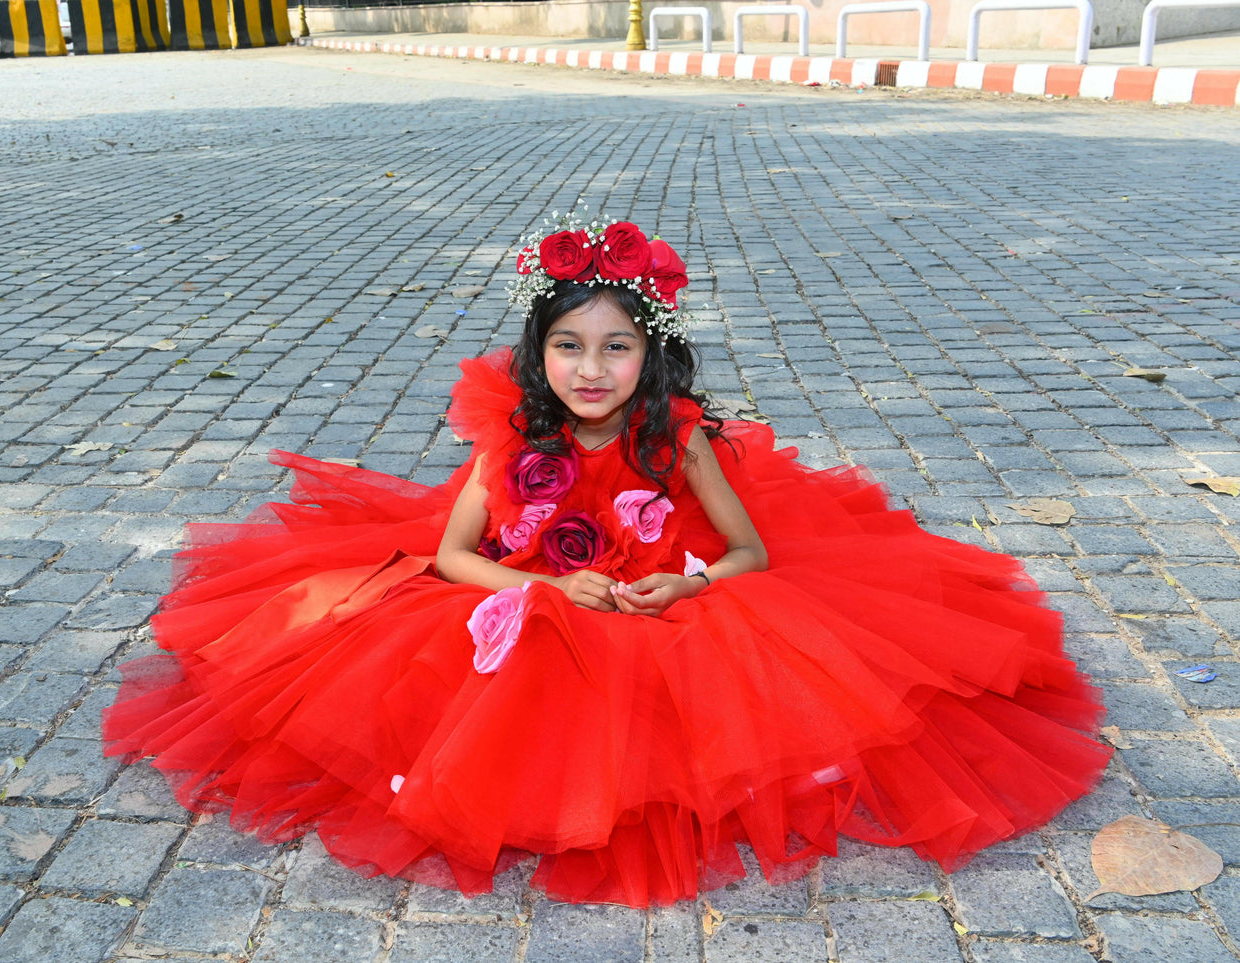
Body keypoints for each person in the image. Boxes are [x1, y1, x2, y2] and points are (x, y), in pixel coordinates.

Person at [104, 211, 1111, 908]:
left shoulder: (675, 434)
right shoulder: (510, 435)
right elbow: (453, 556)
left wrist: (694, 579)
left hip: (661, 594)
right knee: (477, 673)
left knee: (706, 693)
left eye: (617, 347)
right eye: (569, 348)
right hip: (536, 586)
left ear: (653, 353)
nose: (591, 370)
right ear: (537, 354)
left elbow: (753, 551)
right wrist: (545, 583)